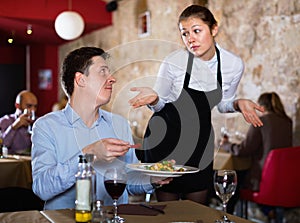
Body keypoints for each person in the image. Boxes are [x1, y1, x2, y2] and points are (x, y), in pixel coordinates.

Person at [129, 5, 264, 205]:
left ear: (214, 29)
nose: (190, 38)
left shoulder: (232, 64)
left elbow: (222, 104)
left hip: (200, 141)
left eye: (196, 31)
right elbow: (159, 106)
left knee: (198, 208)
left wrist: (237, 103)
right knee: (169, 209)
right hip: (165, 137)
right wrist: (155, 99)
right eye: (184, 33)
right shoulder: (174, 62)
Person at [31, 47, 170, 210]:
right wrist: (89, 155)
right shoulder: (46, 126)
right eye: (103, 72)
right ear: (80, 80)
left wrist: (151, 179)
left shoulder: (120, 124)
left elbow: (129, 183)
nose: (112, 79)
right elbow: (42, 189)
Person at [220, 92, 293, 213]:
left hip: (263, 179)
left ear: (261, 107)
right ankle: (269, 211)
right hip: (284, 179)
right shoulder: (287, 122)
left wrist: (227, 145)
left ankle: (229, 214)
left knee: (232, 179)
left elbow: (244, 150)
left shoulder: (261, 121)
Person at [0, 90, 38, 154]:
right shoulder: (5, 121)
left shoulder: (38, 122)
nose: (33, 110)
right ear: (17, 105)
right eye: (29, 106)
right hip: (12, 163)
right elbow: (3, 145)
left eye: (35, 106)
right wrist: (14, 127)